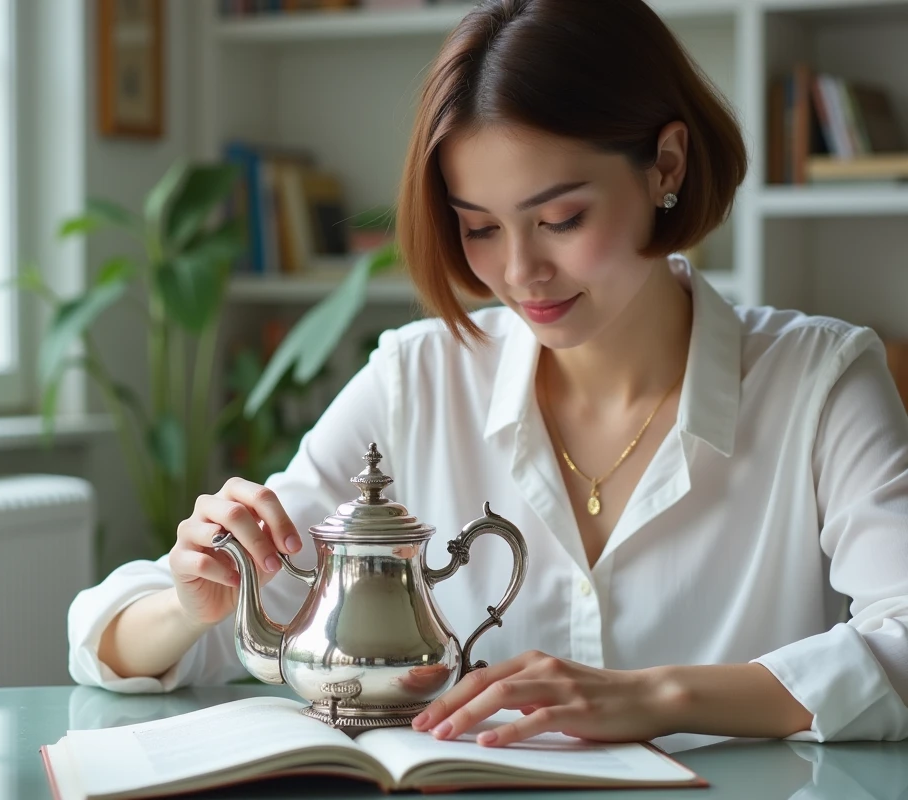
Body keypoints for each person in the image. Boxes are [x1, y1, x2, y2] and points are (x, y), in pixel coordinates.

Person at [68, 0, 908, 745]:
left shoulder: (821, 381)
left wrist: (659, 697)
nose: (520, 273)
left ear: (668, 166)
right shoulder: (418, 380)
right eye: (479, 228)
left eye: (560, 218)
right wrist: (193, 602)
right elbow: (112, 637)